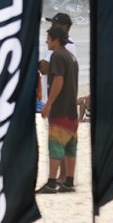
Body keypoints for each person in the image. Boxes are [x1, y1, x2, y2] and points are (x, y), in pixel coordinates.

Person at [36, 27, 79, 194]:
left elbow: (58, 80)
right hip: (71, 111)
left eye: (48, 38)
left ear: (56, 40)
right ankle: (69, 182)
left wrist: (49, 104)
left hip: (60, 109)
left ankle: (52, 183)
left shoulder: (58, 56)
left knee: (56, 146)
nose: (46, 41)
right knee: (70, 147)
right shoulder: (71, 56)